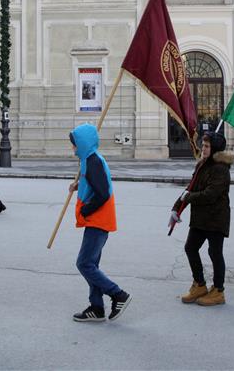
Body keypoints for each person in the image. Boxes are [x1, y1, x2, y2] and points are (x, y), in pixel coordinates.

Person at [68, 123, 131, 322]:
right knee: (91, 264)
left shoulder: (93, 161)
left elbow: (102, 192)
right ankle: (96, 307)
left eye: (75, 144)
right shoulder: (89, 160)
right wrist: (79, 185)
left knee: (84, 263)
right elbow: (94, 183)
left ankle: (118, 294)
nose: (73, 148)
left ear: (83, 143)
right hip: (97, 220)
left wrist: (86, 210)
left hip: (98, 220)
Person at [172, 131, 234, 306]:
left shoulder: (221, 169)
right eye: (203, 145)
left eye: (207, 146)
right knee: (190, 248)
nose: (203, 148)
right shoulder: (202, 165)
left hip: (215, 218)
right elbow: (190, 187)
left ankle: (218, 291)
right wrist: (176, 208)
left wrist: (188, 198)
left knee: (214, 253)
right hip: (200, 218)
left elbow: (210, 195)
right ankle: (199, 284)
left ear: (214, 149)